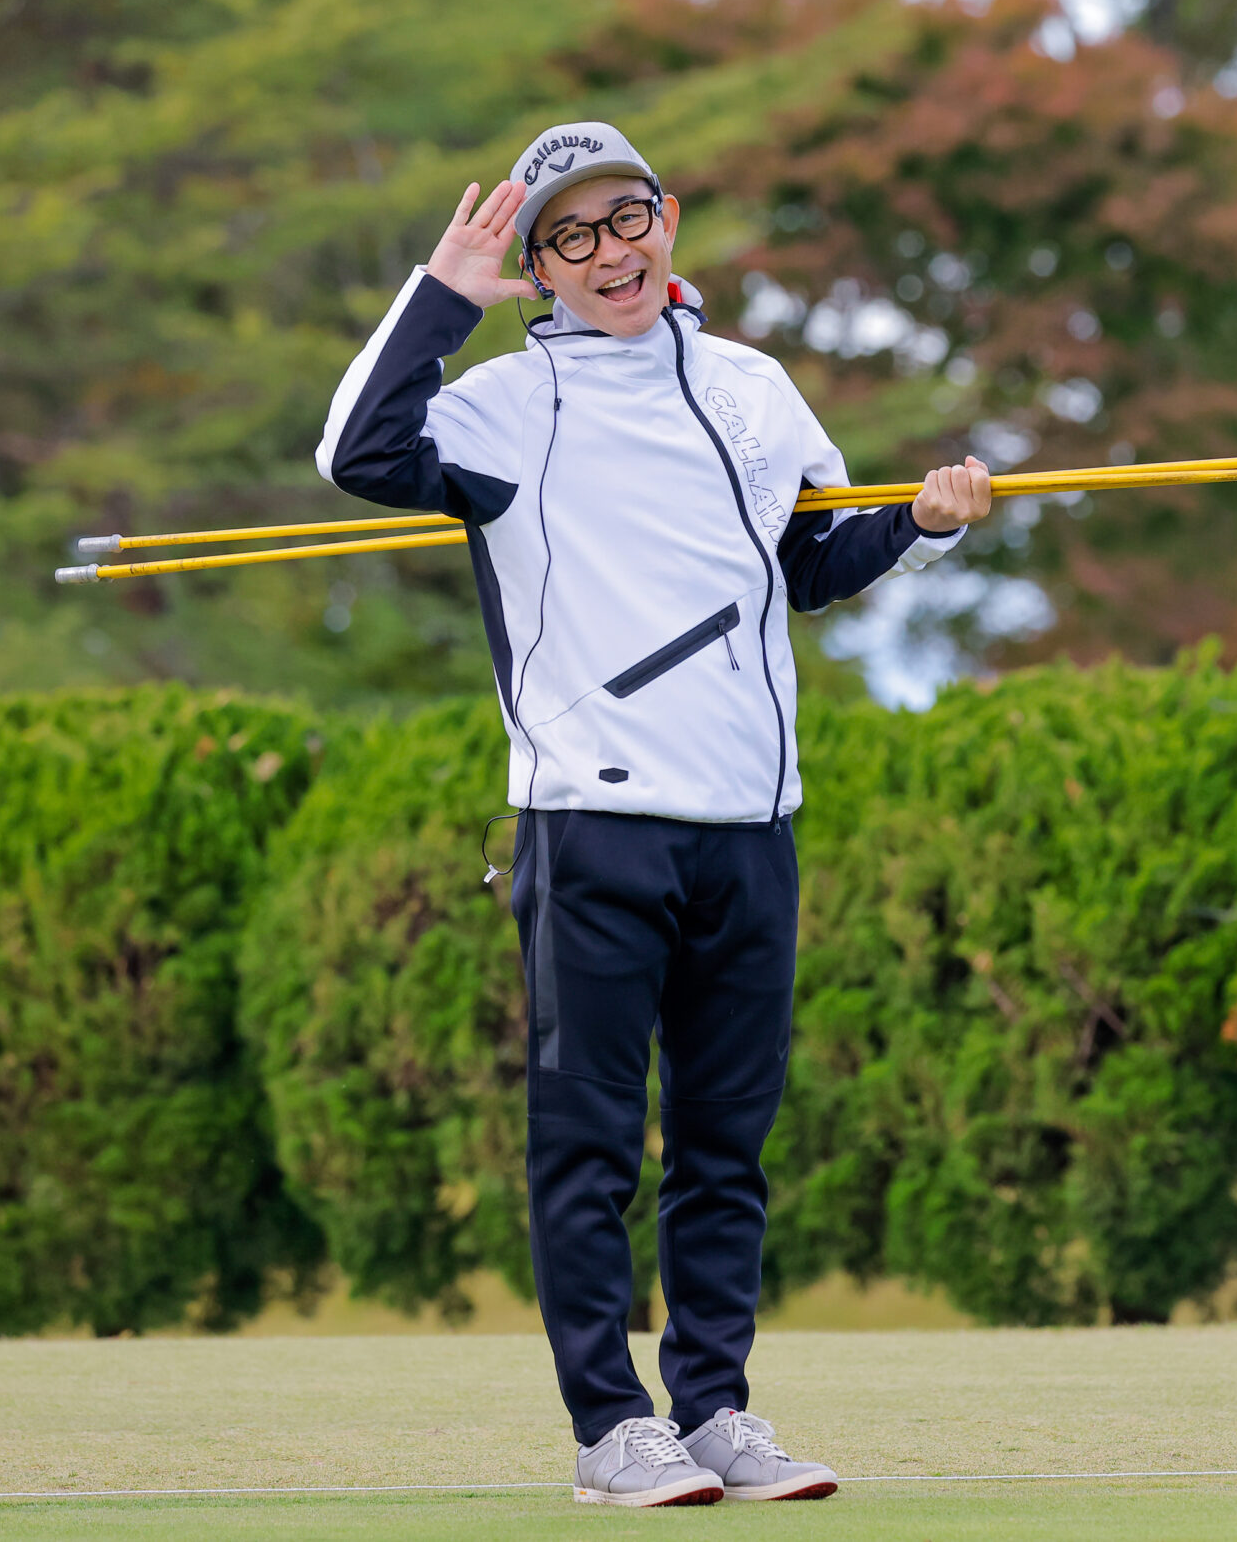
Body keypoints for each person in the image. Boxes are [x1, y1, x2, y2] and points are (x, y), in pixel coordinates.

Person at [315, 122, 991, 1507]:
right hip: (590, 829)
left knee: (726, 1149)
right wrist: (443, 296)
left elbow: (806, 564)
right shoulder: (506, 406)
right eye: (568, 237)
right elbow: (356, 452)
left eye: (625, 219)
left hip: (751, 823)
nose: (608, 253)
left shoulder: (753, 387)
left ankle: (716, 1410)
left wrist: (920, 525)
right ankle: (608, 1429)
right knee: (588, 1146)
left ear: (666, 219)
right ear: (539, 266)